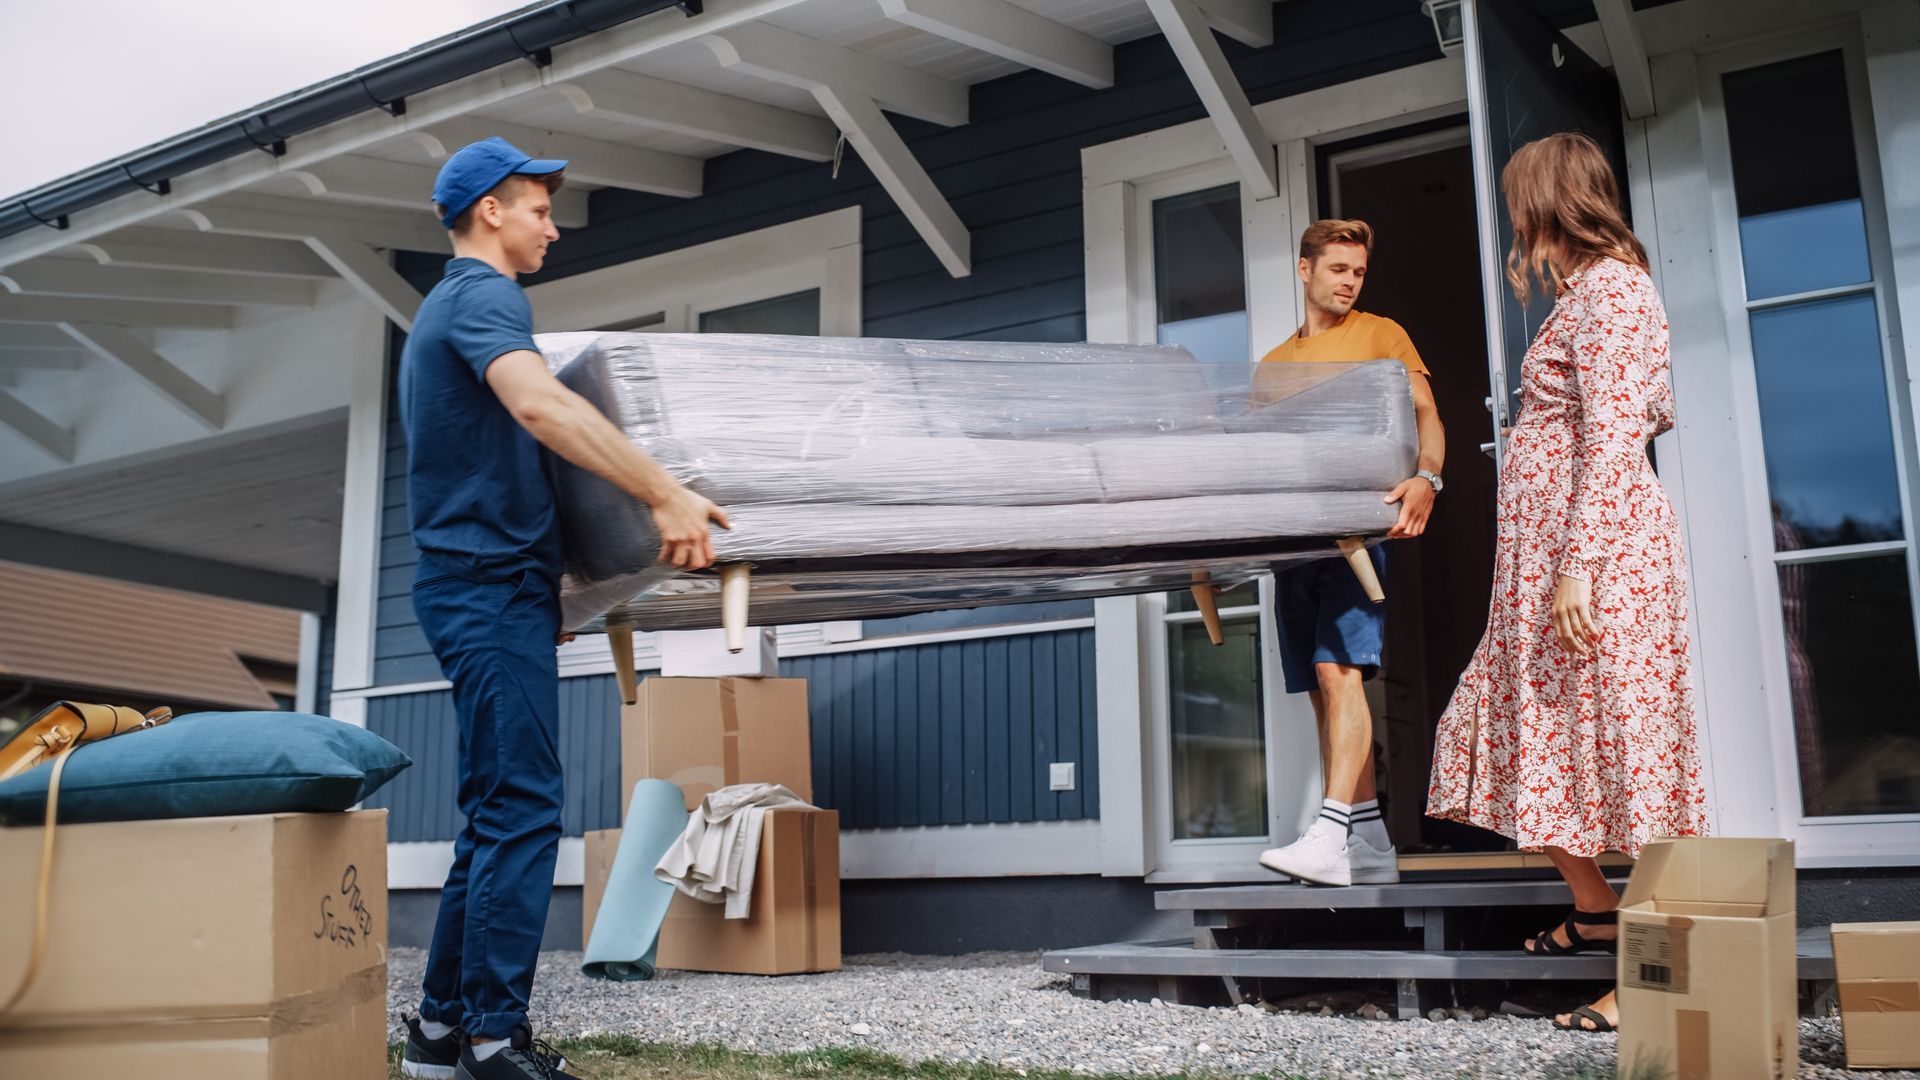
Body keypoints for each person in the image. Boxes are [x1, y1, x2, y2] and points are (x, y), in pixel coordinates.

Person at [396, 137, 729, 1080]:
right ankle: (495, 1042)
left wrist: (565, 587)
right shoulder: (483, 295)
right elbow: (539, 408)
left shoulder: (452, 307)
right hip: (485, 591)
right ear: (490, 210)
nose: (553, 226)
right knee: (522, 810)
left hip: (491, 590)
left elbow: (506, 463)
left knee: (496, 812)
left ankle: (439, 1037)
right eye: (538, 209)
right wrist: (664, 492)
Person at [1425, 132, 1708, 1035]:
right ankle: (1595, 910)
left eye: (1521, 198)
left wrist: (1579, 563)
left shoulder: (1616, 292)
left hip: (1602, 565)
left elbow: (1618, 436)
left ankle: (1655, 978)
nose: (1514, 217)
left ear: (1551, 199)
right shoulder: (1582, 295)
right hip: (1549, 567)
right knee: (1506, 731)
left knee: (1633, 751)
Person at [1255, 219, 1447, 887]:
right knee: (1320, 690)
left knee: (1340, 673)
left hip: (1355, 534)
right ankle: (1369, 840)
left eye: (1358, 272)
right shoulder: (1272, 366)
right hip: (1292, 540)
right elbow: (1256, 456)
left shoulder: (1380, 334)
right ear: (1303, 268)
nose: (1350, 282)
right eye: (1338, 268)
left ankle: (1330, 833)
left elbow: (1427, 414)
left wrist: (1428, 478)